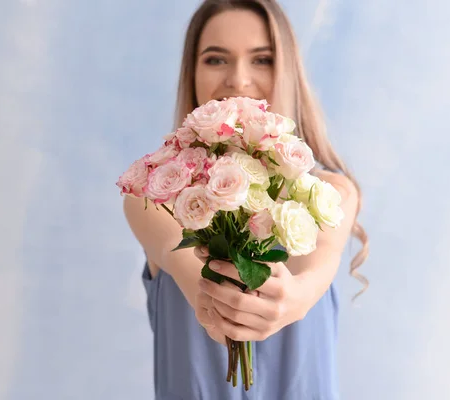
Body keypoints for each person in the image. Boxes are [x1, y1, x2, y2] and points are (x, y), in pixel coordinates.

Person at [123, 1, 369, 398]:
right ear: (193, 74)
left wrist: (295, 298)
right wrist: (214, 305)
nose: (238, 80)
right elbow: (194, 280)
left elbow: (315, 268)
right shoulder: (153, 197)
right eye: (216, 59)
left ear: (287, 71)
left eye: (262, 59)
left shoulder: (331, 193)